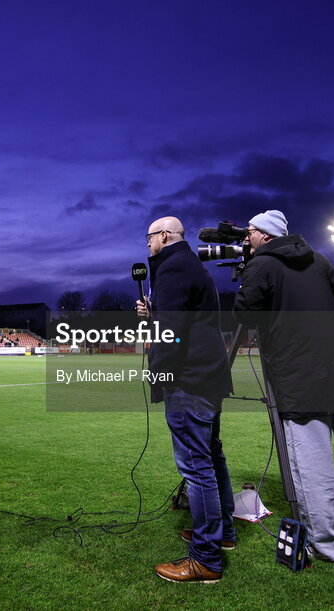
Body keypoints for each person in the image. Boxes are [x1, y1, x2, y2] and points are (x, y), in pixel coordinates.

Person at [233, 210, 334, 562]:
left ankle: (327, 544)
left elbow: (244, 313)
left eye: (250, 232)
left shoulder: (263, 264)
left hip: (300, 380)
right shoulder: (318, 259)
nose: (246, 239)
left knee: (313, 464)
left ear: (267, 236)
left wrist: (250, 277)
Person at [136, 216, 235, 583]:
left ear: (163, 236)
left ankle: (205, 559)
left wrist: (158, 375)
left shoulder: (173, 267)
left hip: (189, 380)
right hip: (208, 377)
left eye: (149, 237)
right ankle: (222, 534)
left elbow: (172, 335)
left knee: (197, 468)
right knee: (211, 457)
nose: (147, 244)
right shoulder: (189, 264)